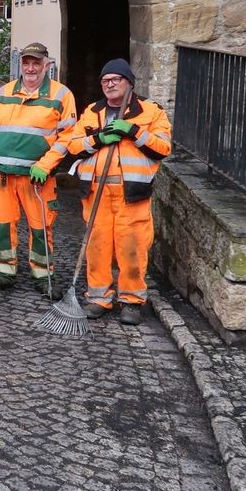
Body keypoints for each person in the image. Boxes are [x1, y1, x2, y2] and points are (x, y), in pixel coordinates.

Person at [67, 58, 172, 325]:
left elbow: (163, 148)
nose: (110, 84)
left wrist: (133, 131)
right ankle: (98, 298)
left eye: (116, 79)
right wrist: (98, 139)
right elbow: (73, 146)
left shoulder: (150, 111)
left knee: (132, 247)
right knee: (97, 246)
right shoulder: (93, 111)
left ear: (129, 83)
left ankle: (131, 301)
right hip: (96, 191)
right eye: (105, 80)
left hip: (131, 193)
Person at [0, 42, 77, 298]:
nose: (31, 68)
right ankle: (3, 272)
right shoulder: (5, 92)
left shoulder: (61, 95)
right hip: (3, 175)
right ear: (20, 64)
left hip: (36, 178)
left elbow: (68, 138)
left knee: (41, 226)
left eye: (36, 63)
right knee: (3, 225)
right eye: (26, 62)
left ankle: (43, 276)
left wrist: (45, 165)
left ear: (46, 65)